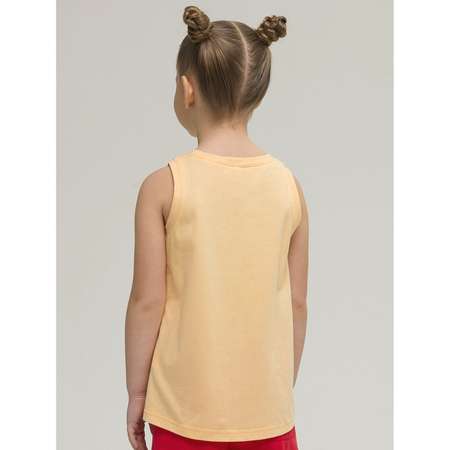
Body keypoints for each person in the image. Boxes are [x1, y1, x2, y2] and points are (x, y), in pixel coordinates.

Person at [125, 6, 309, 450]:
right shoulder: (289, 186)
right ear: (257, 94)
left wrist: (137, 393)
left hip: (182, 417)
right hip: (267, 417)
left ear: (187, 89)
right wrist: (276, 390)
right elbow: (297, 302)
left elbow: (147, 302)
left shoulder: (163, 186)